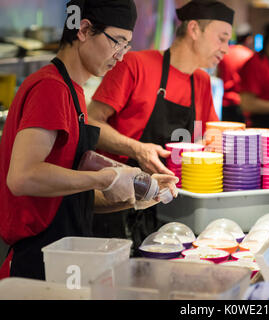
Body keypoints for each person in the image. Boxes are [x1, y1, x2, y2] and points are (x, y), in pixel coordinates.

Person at [0, 0, 178, 280]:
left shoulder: (75, 92)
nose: (120, 56)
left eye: (127, 46)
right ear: (83, 29)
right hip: (37, 260)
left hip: (65, 253)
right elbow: (22, 177)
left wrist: (135, 194)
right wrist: (104, 178)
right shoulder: (51, 88)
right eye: (117, 42)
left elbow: (71, 197)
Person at [87, 0, 234, 254]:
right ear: (195, 29)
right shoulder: (136, 64)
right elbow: (91, 122)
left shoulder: (201, 80)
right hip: (119, 203)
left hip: (173, 209)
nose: (226, 49)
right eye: (222, 38)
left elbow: (209, 133)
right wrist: (138, 150)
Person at [217, 23, 254, 123]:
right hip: (241, 104)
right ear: (249, 39)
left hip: (225, 103)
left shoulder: (225, 54)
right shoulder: (250, 56)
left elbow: (218, 75)